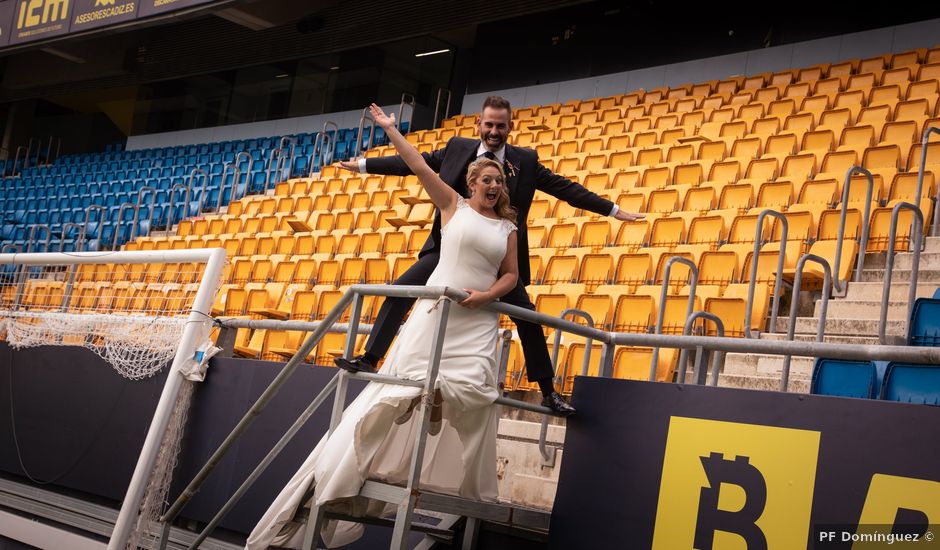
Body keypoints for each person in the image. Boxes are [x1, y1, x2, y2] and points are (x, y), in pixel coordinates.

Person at [246, 103, 517, 549]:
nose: (493, 185)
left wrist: (488, 297)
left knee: (473, 390)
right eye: (486, 179)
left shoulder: (509, 226)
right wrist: (391, 129)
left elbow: (511, 274)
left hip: (478, 319)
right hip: (440, 312)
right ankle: (362, 454)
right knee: (404, 383)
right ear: (471, 183)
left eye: (498, 181)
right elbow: (415, 164)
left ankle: (435, 419)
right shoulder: (451, 205)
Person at [336, 95, 643, 415]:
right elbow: (416, 164)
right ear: (478, 124)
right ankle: (371, 358)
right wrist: (363, 165)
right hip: (449, 251)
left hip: (498, 257)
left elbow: (566, 189)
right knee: (400, 290)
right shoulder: (456, 148)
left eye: (500, 125)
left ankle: (548, 392)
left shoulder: (525, 161)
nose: (494, 130)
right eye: (489, 124)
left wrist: (613, 209)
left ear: (510, 127)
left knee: (527, 317)